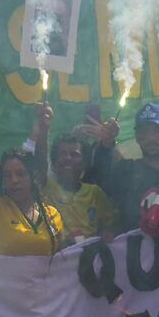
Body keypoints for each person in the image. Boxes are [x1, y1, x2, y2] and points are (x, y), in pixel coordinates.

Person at [0, 116, 65, 256]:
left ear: (32, 177)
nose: (14, 180)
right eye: (7, 175)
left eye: (21, 174)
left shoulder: (52, 214)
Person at [29, 103, 118, 245]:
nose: (68, 158)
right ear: (53, 161)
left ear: (85, 162)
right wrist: (44, 129)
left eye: (74, 154)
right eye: (62, 154)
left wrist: (107, 233)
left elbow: (111, 222)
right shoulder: (46, 186)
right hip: (57, 262)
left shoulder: (95, 193)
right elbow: (40, 161)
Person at [86, 103, 159, 232]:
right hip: (134, 250)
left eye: (157, 131)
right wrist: (106, 144)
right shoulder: (127, 171)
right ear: (137, 137)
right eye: (144, 132)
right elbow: (98, 183)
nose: (151, 138)